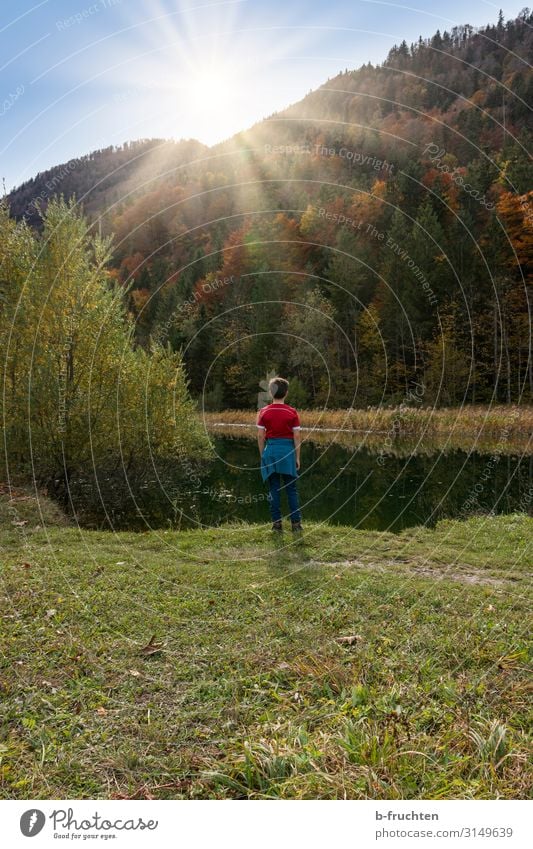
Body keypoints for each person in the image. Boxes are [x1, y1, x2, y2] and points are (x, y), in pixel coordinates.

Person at [256, 377, 303, 533]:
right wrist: (297, 457)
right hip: (287, 452)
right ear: (286, 393)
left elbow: (260, 436)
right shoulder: (292, 412)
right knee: (291, 490)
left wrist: (263, 454)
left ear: (271, 392)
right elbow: (296, 436)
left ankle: (277, 525)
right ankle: (296, 525)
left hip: (271, 452)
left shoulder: (263, 412)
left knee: (273, 489)